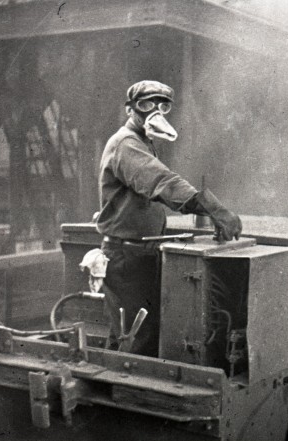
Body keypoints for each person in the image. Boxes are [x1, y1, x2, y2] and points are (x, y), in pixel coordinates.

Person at [95, 80, 242, 355]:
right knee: (137, 339)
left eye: (162, 106)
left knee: (132, 333)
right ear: (130, 109)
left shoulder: (143, 142)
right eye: (146, 105)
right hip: (127, 258)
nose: (155, 112)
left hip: (137, 254)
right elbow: (162, 182)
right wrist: (213, 208)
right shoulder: (127, 144)